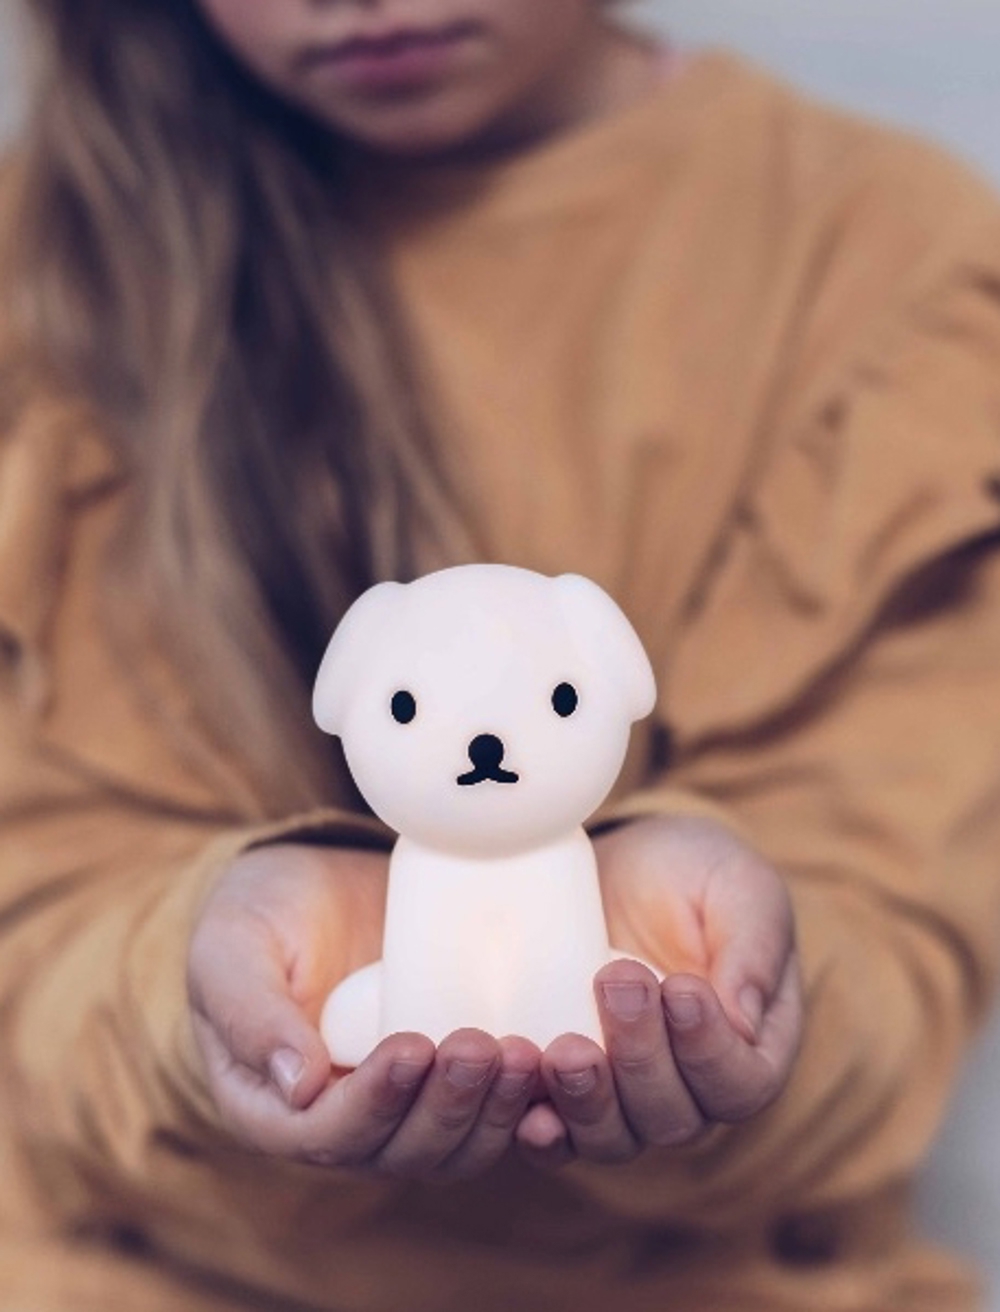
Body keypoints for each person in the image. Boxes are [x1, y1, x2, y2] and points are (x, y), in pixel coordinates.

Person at [1, 0, 999, 1308]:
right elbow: (30, 960)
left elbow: (897, 967)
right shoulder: (46, 278)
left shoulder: (882, 259)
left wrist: (726, 971)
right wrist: (184, 991)